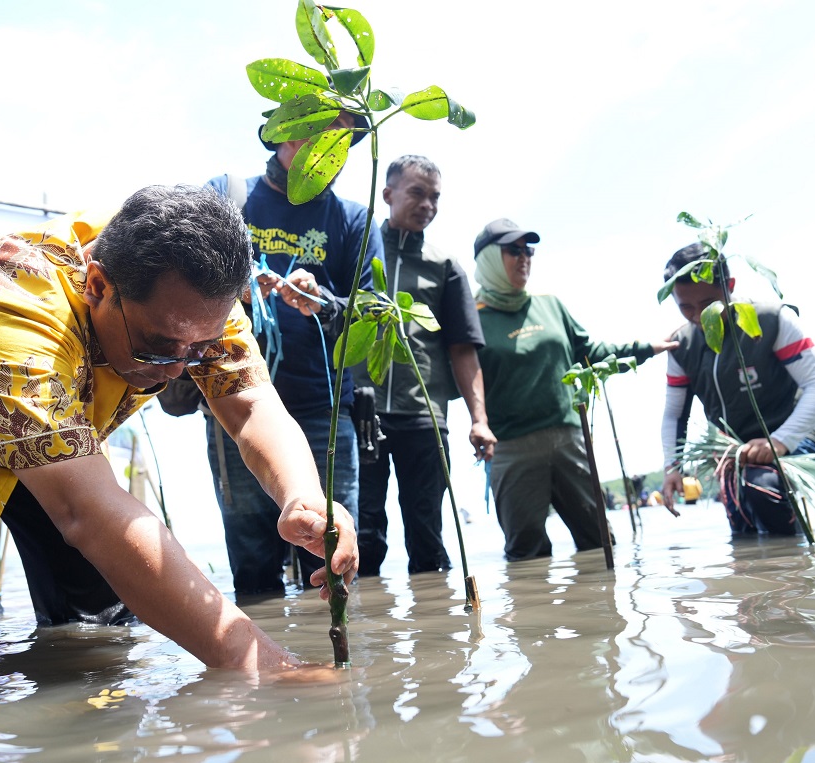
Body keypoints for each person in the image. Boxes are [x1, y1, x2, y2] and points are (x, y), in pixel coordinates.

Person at [0, 185, 357, 669]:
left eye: (199, 350)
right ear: (98, 284)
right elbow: (88, 514)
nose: (178, 370)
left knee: (96, 614)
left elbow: (248, 406)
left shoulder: (196, 299)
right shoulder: (7, 297)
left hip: (33, 427)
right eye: (158, 345)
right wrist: (265, 666)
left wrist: (305, 498)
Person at [202, 112, 378, 595]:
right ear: (288, 132)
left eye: (345, 141)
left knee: (332, 562)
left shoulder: (353, 220)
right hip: (234, 405)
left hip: (324, 409)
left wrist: (324, 303)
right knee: (254, 565)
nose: (333, 150)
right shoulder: (227, 196)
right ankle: (262, 669)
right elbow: (182, 271)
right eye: (323, 133)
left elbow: (372, 312)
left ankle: (338, 669)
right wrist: (235, 285)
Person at [473, 218, 676, 561]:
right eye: (513, 251)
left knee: (599, 541)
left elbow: (589, 354)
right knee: (527, 553)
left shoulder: (550, 305)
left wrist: (646, 348)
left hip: (569, 440)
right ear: (489, 258)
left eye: (529, 251)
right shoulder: (472, 318)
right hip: (512, 448)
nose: (524, 258)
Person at [354, 155, 495, 576]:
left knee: (427, 533)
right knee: (364, 534)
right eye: (417, 193)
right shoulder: (358, 251)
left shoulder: (446, 267)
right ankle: (365, 632)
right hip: (361, 412)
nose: (427, 205)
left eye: (435, 197)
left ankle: (437, 631)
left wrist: (479, 419)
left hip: (423, 415)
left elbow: (463, 349)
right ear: (388, 194)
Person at [659, 243, 815, 535]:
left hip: (792, 436)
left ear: (729, 286)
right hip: (733, 449)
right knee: (743, 528)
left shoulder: (771, 320)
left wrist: (779, 441)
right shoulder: (682, 345)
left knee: (762, 489)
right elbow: (674, 415)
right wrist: (672, 467)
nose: (699, 316)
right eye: (685, 307)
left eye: (708, 304)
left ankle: (793, 575)